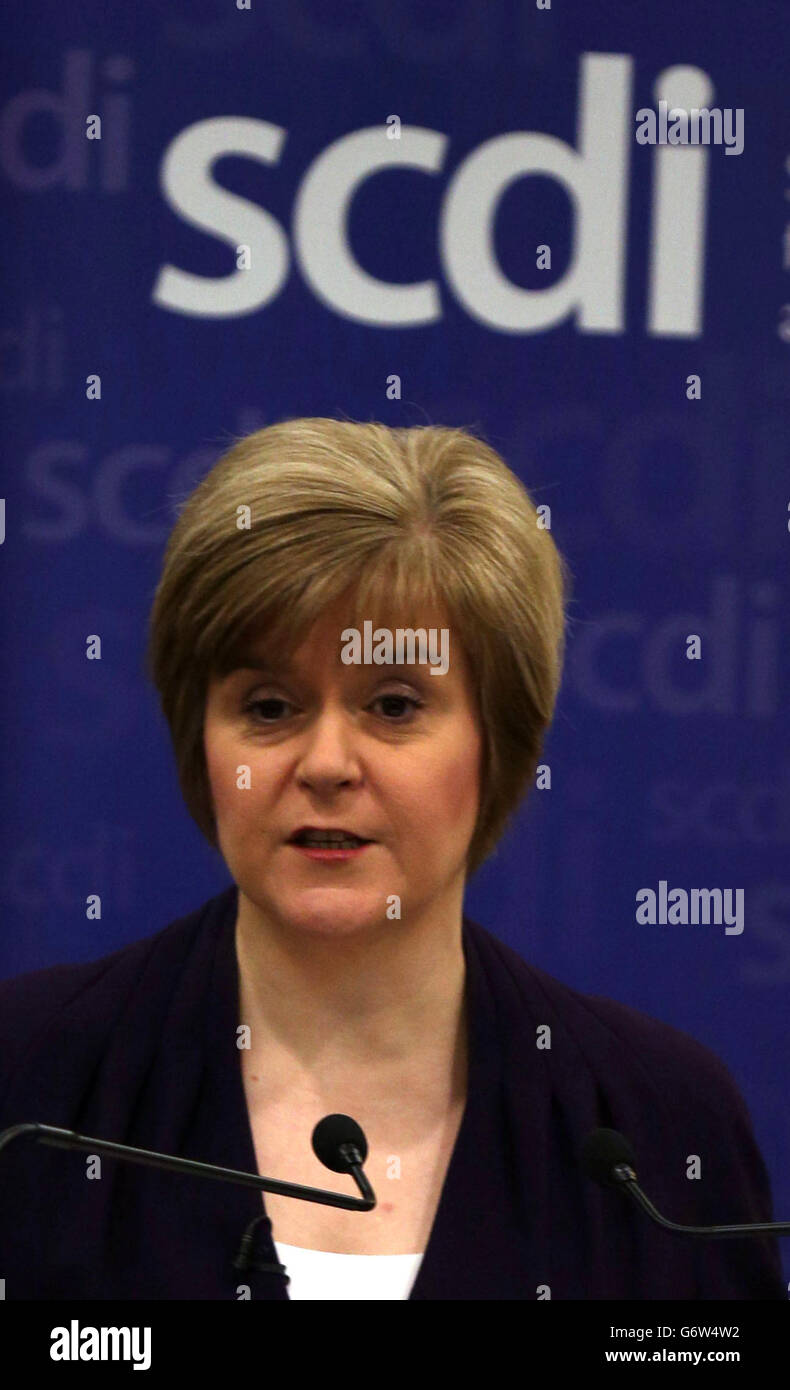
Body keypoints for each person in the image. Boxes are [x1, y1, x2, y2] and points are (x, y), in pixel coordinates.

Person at [0, 418, 784, 1300]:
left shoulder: (657, 1124)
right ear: (199, 739)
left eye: (395, 704)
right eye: (268, 706)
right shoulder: (31, 1083)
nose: (327, 763)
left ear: (501, 742)